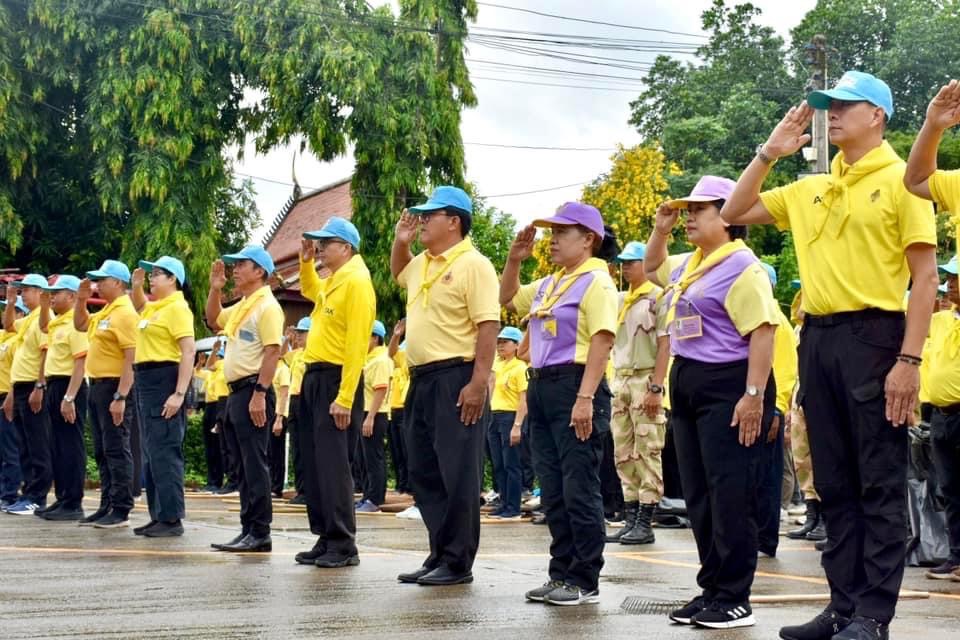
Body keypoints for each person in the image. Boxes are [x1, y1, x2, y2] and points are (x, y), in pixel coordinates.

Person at [721, 71, 938, 640]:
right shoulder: (812, 187)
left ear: (878, 116)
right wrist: (771, 152)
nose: (832, 113)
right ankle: (842, 606)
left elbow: (923, 278)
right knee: (834, 483)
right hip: (819, 339)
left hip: (876, 339)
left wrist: (909, 362)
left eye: (846, 105)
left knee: (878, 481)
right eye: (828, 105)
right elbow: (734, 210)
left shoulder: (904, 182)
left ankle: (873, 614)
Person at [645, 176, 780, 629]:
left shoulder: (743, 266)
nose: (688, 217)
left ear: (728, 216)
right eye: (688, 209)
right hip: (688, 378)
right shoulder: (691, 264)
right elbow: (652, 269)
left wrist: (754, 396)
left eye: (699, 209)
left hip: (731, 381)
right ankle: (712, 588)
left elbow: (762, 330)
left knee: (730, 493)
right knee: (699, 493)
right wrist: (660, 231)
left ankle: (735, 596)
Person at [501, 202, 619, 606]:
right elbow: (509, 298)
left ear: (588, 240)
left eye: (561, 233)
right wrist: (515, 260)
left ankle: (584, 579)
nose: (552, 241)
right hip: (543, 385)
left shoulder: (597, 283)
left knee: (579, 487)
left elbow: (602, 340)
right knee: (552, 489)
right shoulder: (553, 283)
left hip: (576, 385)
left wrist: (585, 397)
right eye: (552, 233)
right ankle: (561, 573)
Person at [391, 186, 499, 586]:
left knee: (458, 472)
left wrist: (478, 383)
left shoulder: (475, 264)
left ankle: (457, 562)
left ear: (453, 222)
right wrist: (400, 242)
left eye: (429, 216)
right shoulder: (424, 262)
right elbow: (398, 273)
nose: (421, 222)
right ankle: (439, 551)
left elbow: (488, 325)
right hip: (421, 378)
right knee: (424, 470)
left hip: (457, 375)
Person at [296, 217, 375, 568]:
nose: (321, 249)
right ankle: (325, 535)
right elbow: (309, 291)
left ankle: (343, 543)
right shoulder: (334, 281)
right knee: (314, 464)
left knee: (332, 465)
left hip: (336, 379)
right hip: (315, 377)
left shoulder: (357, 282)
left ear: (345, 247)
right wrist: (304, 262)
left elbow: (358, 343)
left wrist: (344, 396)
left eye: (326, 243)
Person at [205, 246, 283, 553]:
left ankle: (260, 531)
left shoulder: (268, 306)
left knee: (254, 464)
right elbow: (213, 319)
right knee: (240, 464)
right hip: (236, 392)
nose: (235, 269)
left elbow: (273, 350)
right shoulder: (243, 304)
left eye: (242, 265)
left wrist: (260, 393)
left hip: (254, 390)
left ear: (259, 272)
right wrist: (215, 290)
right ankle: (247, 528)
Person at [606, 240, 669, 546]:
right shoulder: (621, 300)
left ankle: (646, 519)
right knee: (623, 452)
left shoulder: (657, 298)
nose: (626, 266)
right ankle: (630, 517)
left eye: (632, 261)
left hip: (645, 380)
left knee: (648, 451)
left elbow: (665, 345)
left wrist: (657, 386)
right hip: (621, 381)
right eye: (623, 262)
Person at [130, 257, 196, 537]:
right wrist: (135, 286)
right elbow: (139, 305)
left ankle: (171, 519)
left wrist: (179, 393)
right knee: (151, 452)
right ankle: (158, 514)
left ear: (173, 279)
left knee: (165, 451)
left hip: (164, 379)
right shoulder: (155, 308)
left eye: (157, 274)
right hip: (146, 379)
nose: (151, 279)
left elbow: (188, 352)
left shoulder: (178, 308)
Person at [75, 260, 139, 528]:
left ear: (118, 283)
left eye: (102, 280)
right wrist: (81, 300)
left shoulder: (124, 312)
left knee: (115, 448)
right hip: (98, 386)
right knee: (102, 449)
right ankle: (107, 503)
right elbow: (80, 325)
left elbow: (131, 358)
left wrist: (121, 396)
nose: (97, 284)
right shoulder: (107, 312)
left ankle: (121, 507)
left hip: (114, 386)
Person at [916, 256, 960, 580]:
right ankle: (957, 556)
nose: (951, 283)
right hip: (942, 416)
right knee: (949, 488)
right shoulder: (944, 320)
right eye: (949, 278)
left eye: (957, 278)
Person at [38, 275, 89, 521]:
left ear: (71, 296)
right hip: (55, 384)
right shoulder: (58, 323)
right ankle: (62, 498)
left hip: (70, 385)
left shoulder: (75, 323)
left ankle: (73, 502)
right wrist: (45, 303)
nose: (52, 296)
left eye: (56, 292)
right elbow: (42, 325)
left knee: (70, 446)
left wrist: (70, 397)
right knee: (56, 446)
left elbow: (80, 362)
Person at [756, 263, 799, 558]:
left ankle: (766, 538)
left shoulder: (776, 320)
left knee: (769, 476)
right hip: (751, 405)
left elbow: (784, 370)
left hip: (769, 408)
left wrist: (778, 409)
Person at [2, 274, 53, 516]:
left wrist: (40, 386)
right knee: (24, 443)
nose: (23, 293)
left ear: (41, 292)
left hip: (34, 384)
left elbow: (45, 354)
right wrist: (11, 304)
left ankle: (37, 496)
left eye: (27, 290)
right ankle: (28, 492)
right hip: (21, 385)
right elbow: (9, 325)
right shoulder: (30, 318)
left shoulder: (44, 318)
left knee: (37, 444)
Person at [487, 326, 529, 520]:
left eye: (505, 342)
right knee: (498, 463)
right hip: (495, 415)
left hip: (510, 416)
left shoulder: (520, 368)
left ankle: (513, 506)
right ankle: (504, 503)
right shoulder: (500, 365)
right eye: (499, 342)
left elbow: (524, 399)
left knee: (511, 464)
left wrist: (517, 425)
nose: (500, 346)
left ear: (517, 345)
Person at [356, 320, 393, 513]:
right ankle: (366, 495)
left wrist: (370, 417)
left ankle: (375, 498)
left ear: (375, 338)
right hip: (364, 412)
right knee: (363, 458)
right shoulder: (368, 359)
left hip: (375, 413)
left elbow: (380, 390)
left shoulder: (381, 360)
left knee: (374, 457)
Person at [0, 295, 26, 511]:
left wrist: (11, 395)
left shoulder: (18, 340)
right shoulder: (3, 337)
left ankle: (10, 493)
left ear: (21, 315)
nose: (4, 314)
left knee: (11, 449)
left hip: (8, 395)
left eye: (10, 310)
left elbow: (17, 372)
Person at [283, 317, 309, 504]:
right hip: (294, 399)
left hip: (306, 399)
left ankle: (309, 491)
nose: (298, 336)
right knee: (297, 448)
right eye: (297, 332)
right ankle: (301, 490)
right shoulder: (298, 354)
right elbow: (282, 355)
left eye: (302, 333)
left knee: (308, 448)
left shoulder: (315, 355)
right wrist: (287, 339)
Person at [387, 320, 410, 495]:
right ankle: (402, 484)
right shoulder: (401, 360)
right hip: (394, 409)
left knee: (408, 449)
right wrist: (396, 335)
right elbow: (392, 353)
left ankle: (410, 486)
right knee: (398, 450)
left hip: (407, 407)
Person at [269, 355, 290, 499]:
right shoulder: (270, 368)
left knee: (277, 452)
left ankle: (276, 487)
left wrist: (279, 418)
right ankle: (270, 484)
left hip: (279, 414)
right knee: (268, 451)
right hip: (269, 412)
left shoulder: (283, 369)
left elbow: (283, 395)